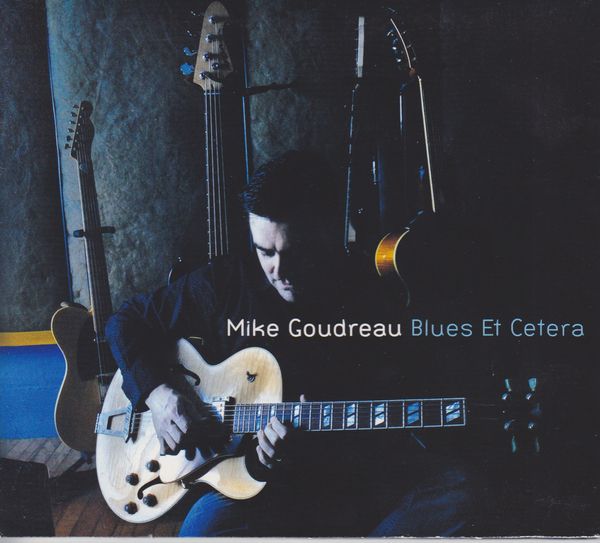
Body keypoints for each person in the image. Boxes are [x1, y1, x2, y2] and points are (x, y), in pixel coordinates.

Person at [106, 150, 485, 536]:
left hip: (345, 482)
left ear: (328, 233)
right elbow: (125, 322)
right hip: (252, 488)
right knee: (203, 530)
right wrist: (159, 393)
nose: (279, 270)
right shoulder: (225, 282)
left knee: (458, 488)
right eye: (265, 252)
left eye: (294, 252)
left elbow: (379, 434)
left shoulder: (368, 297)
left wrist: (307, 451)